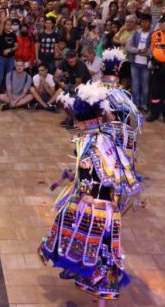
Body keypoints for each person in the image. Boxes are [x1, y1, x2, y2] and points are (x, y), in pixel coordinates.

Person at [39, 82, 141, 304]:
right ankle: (92, 288)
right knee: (103, 252)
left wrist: (81, 185)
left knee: (89, 245)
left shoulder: (91, 143)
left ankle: (83, 275)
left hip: (94, 207)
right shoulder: (107, 137)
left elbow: (91, 175)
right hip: (108, 208)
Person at [126, 14, 152, 111]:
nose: (143, 24)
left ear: (150, 23)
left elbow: (154, 49)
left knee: (145, 86)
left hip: (146, 64)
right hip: (135, 63)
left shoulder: (153, 34)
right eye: (142, 22)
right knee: (135, 85)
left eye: (146, 22)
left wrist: (147, 52)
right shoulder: (136, 33)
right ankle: (136, 104)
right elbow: (128, 47)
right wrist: (138, 51)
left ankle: (144, 104)